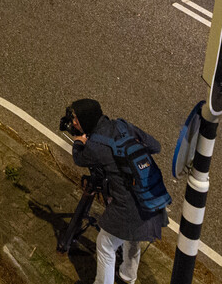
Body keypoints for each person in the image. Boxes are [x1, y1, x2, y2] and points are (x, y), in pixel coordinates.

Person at [64, 99, 170, 284]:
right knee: (132, 237)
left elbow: (80, 159)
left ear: (86, 119)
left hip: (128, 206)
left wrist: (78, 142)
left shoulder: (96, 145)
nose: (73, 123)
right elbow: (155, 146)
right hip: (149, 195)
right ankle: (128, 277)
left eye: (76, 119)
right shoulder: (122, 126)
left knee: (105, 244)